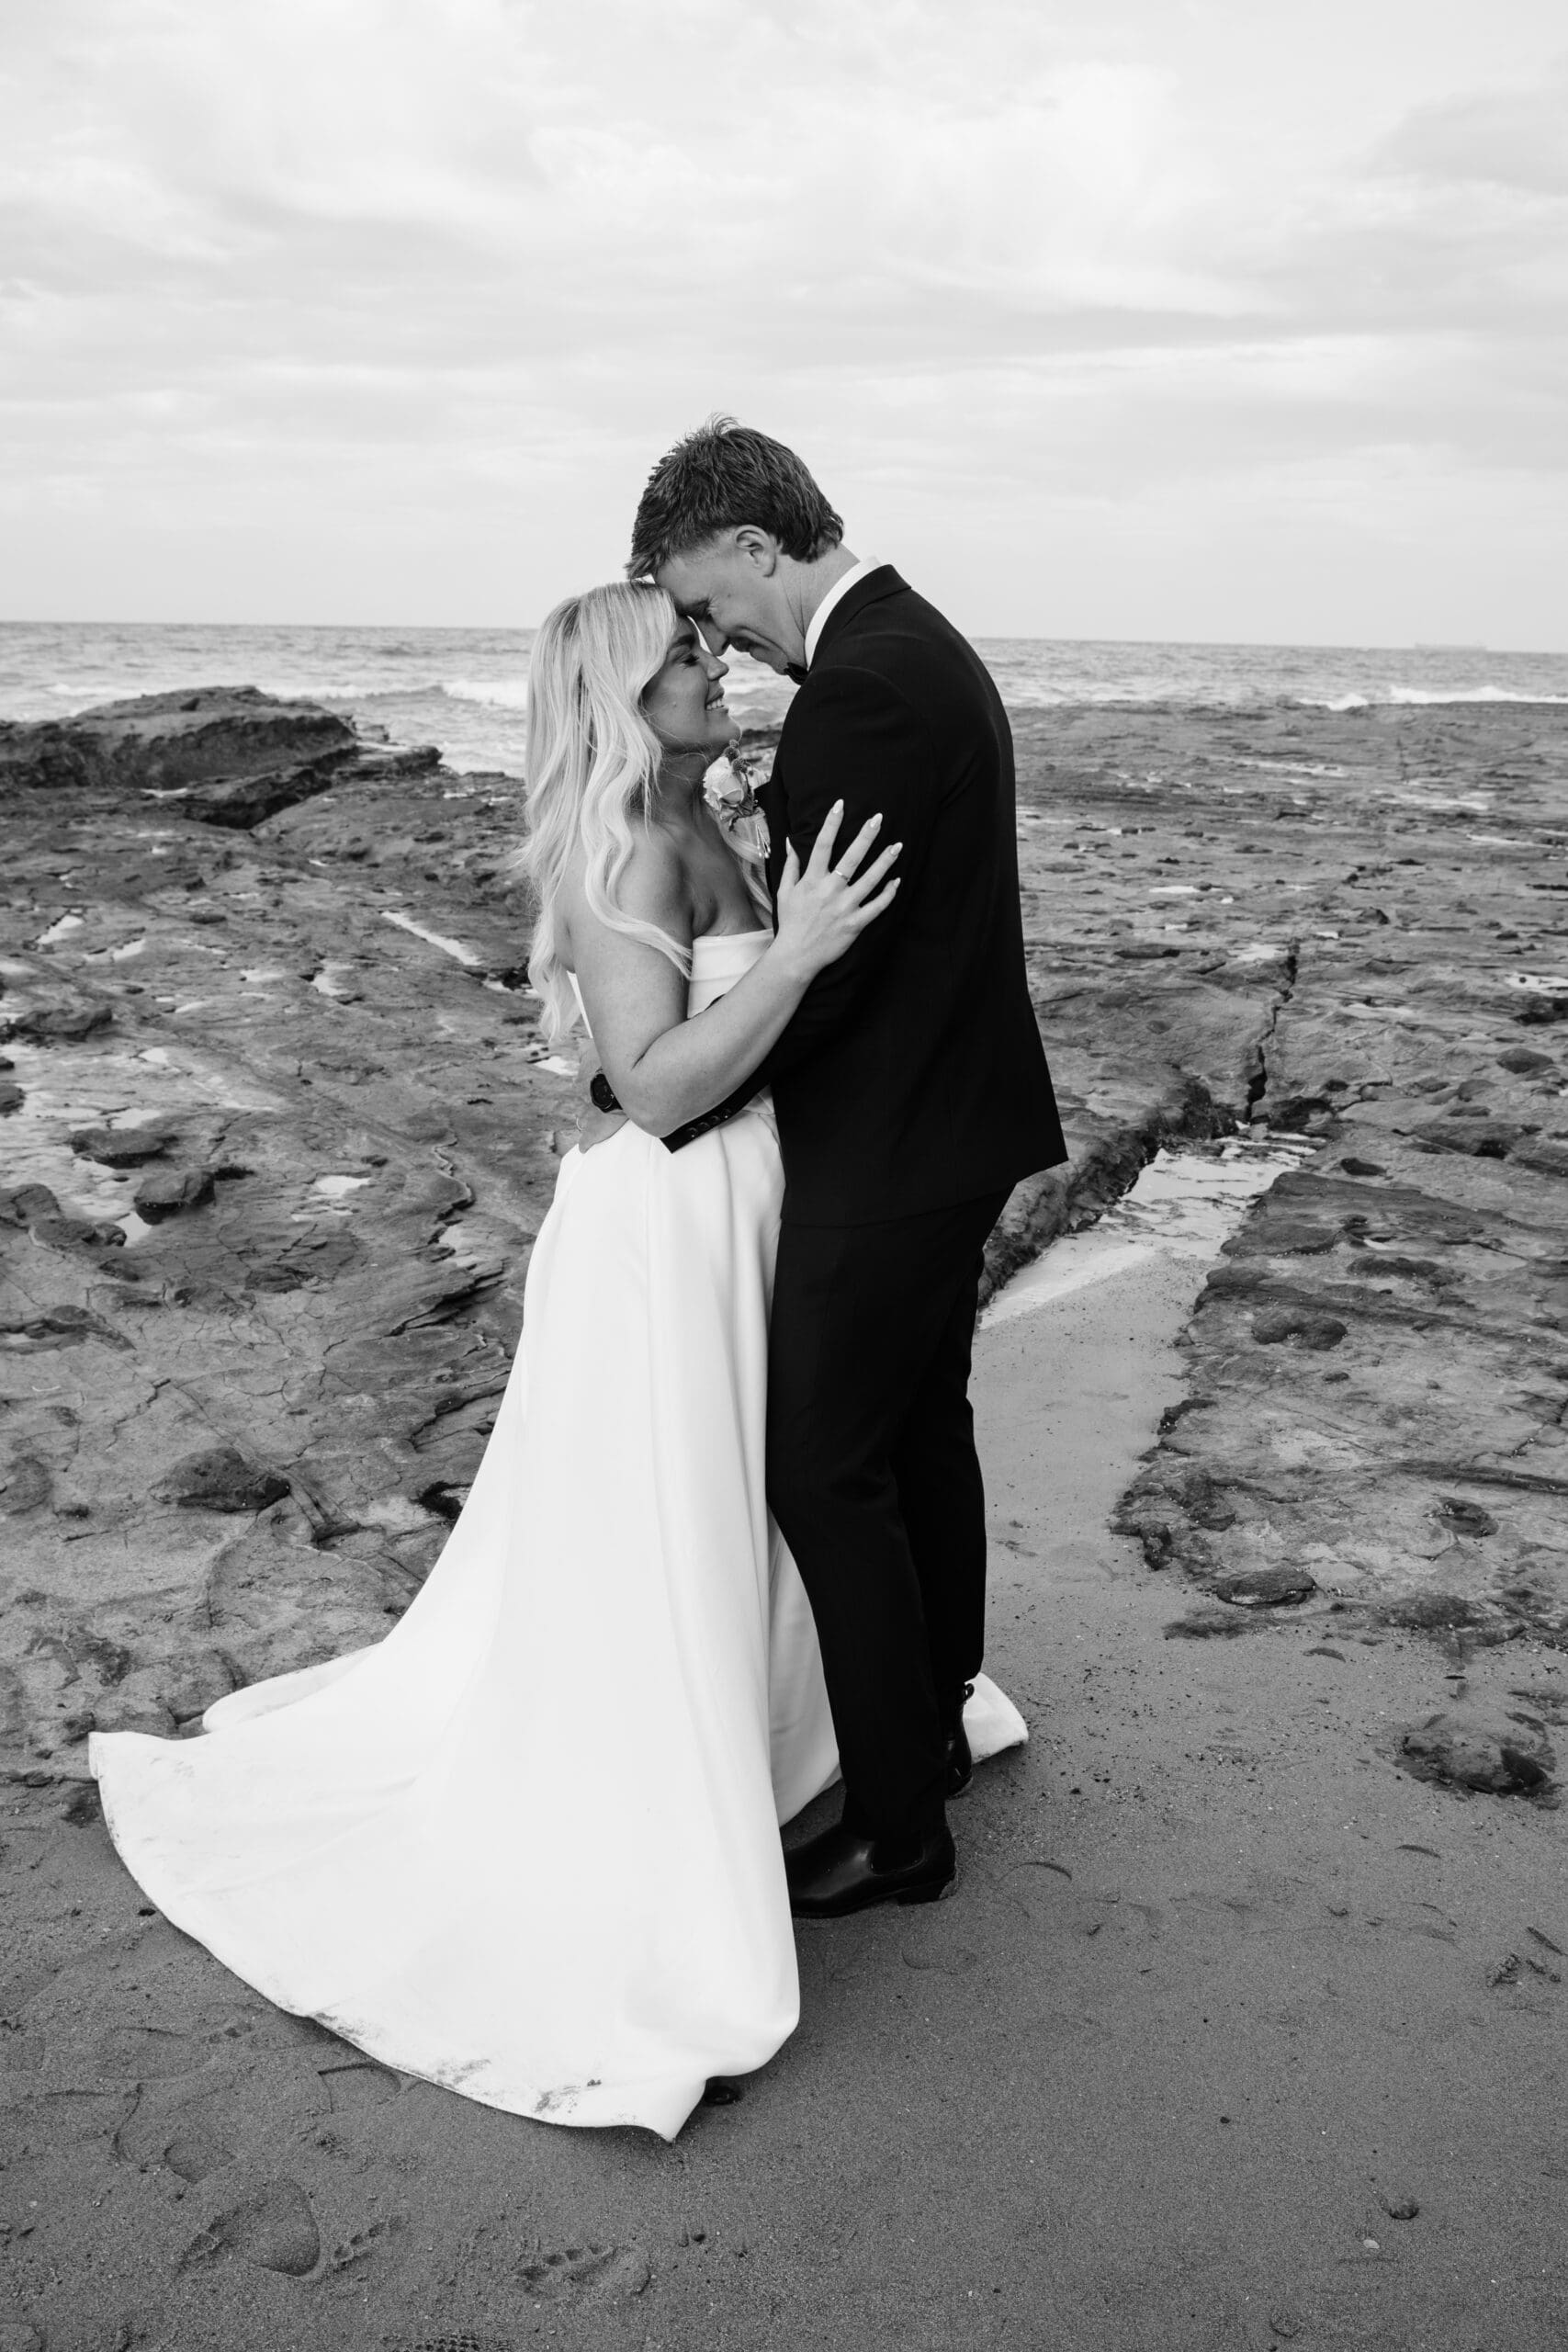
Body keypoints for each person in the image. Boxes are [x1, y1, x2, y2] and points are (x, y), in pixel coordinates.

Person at [88, 582, 1021, 2142]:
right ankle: (670, 1788)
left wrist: (788, 943)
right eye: (680, 658)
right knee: (670, 1518)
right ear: (616, 699)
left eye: (708, 643)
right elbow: (654, 1093)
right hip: (673, 1224)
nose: (712, 667)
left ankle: (803, 1740)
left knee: (759, 1495)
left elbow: (682, 1046)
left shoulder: (710, 810)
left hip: (762, 1203)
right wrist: (789, 960)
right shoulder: (622, 855)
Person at [602, 418, 1067, 1917]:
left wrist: (699, 1096)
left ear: (756, 544)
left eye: (714, 600)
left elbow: (834, 969)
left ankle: (898, 1826)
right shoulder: (920, 643)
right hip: (958, 1122)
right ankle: (930, 1722)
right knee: (922, 1429)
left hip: (888, 1145)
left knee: (826, 1466)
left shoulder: (862, 690)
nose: (721, 636)